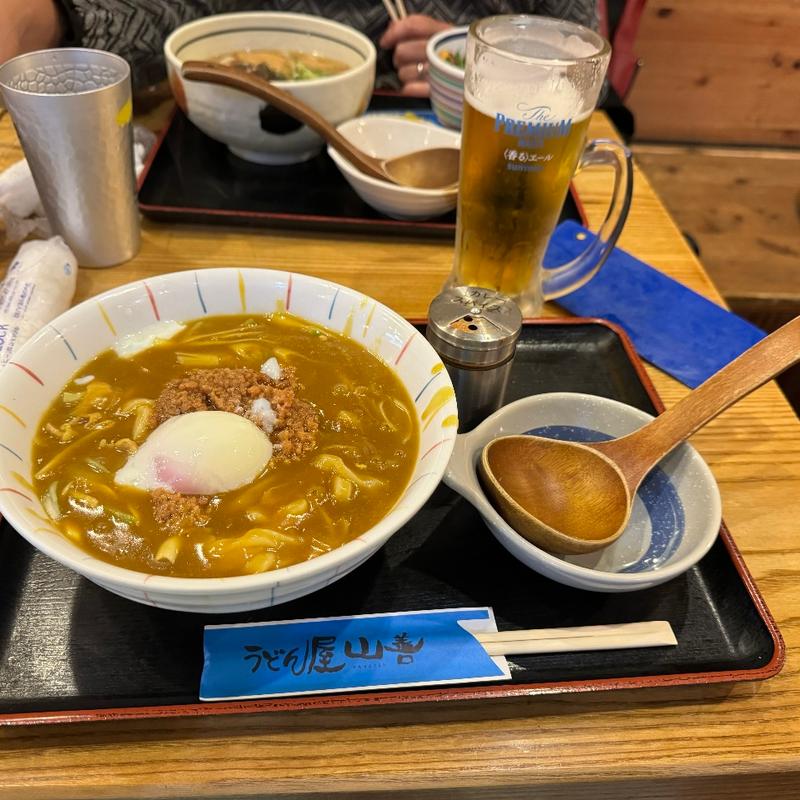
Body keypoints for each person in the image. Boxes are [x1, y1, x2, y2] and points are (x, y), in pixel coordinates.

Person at [1, 1, 597, 97]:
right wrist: (47, 16)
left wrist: (503, 65)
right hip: (219, 137)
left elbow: (580, 63)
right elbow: (164, 16)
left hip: (465, 141)